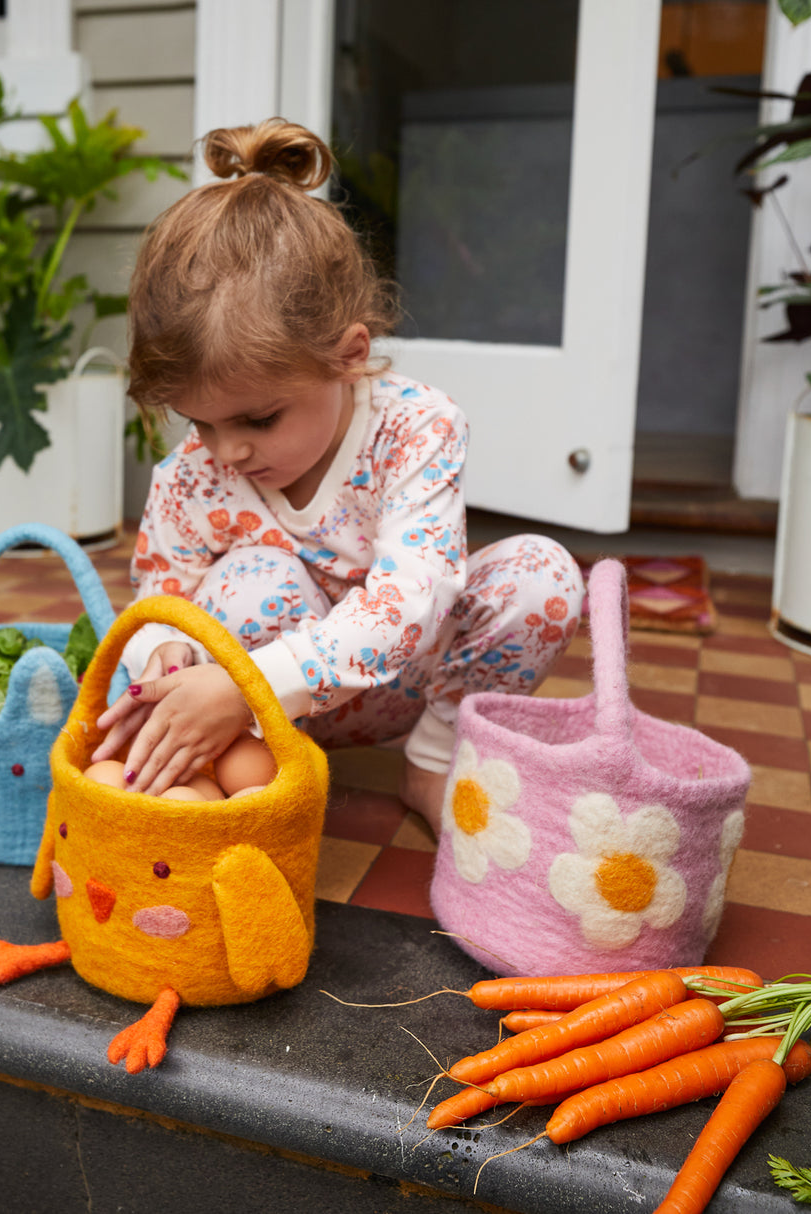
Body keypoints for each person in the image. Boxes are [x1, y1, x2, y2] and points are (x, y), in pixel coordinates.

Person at [91, 118, 584, 835]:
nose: (225, 452)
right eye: (200, 423)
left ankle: (437, 760)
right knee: (251, 581)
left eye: (258, 420)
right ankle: (272, 775)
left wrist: (251, 681)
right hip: (260, 714)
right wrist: (162, 652)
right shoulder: (192, 477)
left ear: (351, 355)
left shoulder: (415, 427)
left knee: (543, 575)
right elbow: (160, 593)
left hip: (396, 680)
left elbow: (415, 595)